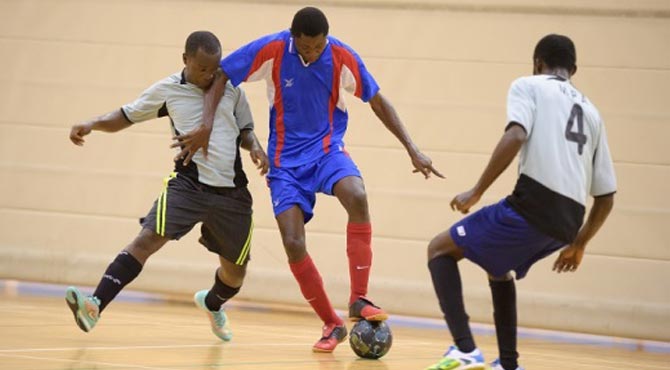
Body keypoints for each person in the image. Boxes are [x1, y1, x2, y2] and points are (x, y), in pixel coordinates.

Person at [172, 7, 443, 352]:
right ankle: (331, 323)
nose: (313, 53)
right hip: (284, 164)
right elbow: (222, 74)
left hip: (327, 153)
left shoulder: (342, 55)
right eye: (306, 48)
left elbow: (377, 100)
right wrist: (207, 124)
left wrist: (413, 149)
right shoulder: (272, 49)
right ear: (293, 38)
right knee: (293, 242)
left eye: (319, 47)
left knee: (357, 195)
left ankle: (359, 299)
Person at [424, 34, 617, 370]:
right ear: (574, 69)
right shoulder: (592, 112)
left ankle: (465, 350)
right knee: (499, 268)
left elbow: (516, 134)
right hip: (570, 221)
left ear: (537, 62)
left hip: (534, 204)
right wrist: (580, 243)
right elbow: (606, 195)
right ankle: (509, 365)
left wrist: (477, 190)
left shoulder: (529, 85)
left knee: (440, 249)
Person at [65, 31, 269, 342]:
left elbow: (245, 131)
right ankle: (94, 305)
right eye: (201, 68)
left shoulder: (232, 91)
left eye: (213, 69)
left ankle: (212, 303)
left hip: (232, 194)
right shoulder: (168, 90)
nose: (208, 75)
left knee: (235, 274)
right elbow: (125, 116)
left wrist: (255, 147)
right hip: (188, 185)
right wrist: (93, 123)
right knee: (146, 241)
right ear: (185, 59)